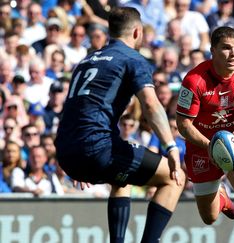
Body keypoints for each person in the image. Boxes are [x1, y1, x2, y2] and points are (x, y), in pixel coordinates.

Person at [54, 7, 185, 243]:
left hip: (67, 150)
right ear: (137, 32)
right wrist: (171, 147)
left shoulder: (87, 60)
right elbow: (152, 105)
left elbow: (74, 108)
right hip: (95, 149)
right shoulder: (132, 58)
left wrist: (76, 154)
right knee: (174, 177)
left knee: (122, 176)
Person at [176, 26, 234, 242]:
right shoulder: (194, 81)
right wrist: (209, 145)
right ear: (213, 50)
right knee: (209, 217)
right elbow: (183, 124)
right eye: (226, 48)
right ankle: (222, 199)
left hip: (233, 138)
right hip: (201, 147)